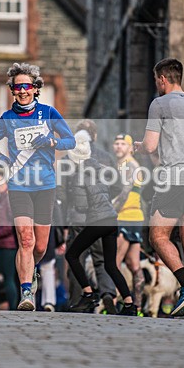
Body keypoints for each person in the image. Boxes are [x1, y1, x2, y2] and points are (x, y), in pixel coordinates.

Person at [0, 62, 75, 311]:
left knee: (40, 246)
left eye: (26, 86)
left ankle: (30, 271)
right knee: (25, 240)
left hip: (45, 185)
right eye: (17, 87)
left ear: (36, 88)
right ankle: (26, 292)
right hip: (19, 185)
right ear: (12, 91)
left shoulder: (48, 113)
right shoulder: (8, 118)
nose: (22, 91)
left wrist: (51, 141)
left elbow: (70, 141)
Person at [135, 58, 184, 318]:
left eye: (157, 80)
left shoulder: (159, 104)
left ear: (163, 79)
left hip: (175, 178)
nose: (156, 84)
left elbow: (151, 145)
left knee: (158, 236)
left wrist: (140, 147)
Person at [59, 131, 137, 315]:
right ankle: (129, 303)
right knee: (110, 265)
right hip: (111, 219)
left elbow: (81, 205)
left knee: (72, 255)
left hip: (95, 220)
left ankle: (88, 293)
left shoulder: (78, 174)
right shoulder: (102, 167)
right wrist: (105, 199)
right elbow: (118, 186)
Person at [112, 134, 146, 313]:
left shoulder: (128, 165)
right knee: (134, 264)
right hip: (136, 218)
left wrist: (111, 210)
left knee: (115, 261)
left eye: (123, 144)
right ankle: (138, 305)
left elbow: (125, 192)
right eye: (116, 143)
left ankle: (118, 302)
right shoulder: (128, 165)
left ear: (130, 147)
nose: (118, 147)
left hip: (124, 217)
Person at [0, 171, 19, 309]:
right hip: (7, 243)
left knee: (9, 278)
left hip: (9, 244)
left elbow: (13, 223)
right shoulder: (3, 198)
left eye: (1, 181)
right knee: (11, 278)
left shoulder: (8, 198)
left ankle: (14, 308)